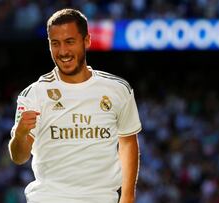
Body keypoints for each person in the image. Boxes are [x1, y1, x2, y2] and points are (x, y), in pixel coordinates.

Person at [8, 8, 142, 203]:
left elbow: (128, 141)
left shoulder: (118, 89)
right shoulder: (34, 94)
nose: (63, 52)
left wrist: (128, 196)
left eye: (69, 42)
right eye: (56, 44)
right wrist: (20, 134)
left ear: (87, 40)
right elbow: (19, 157)